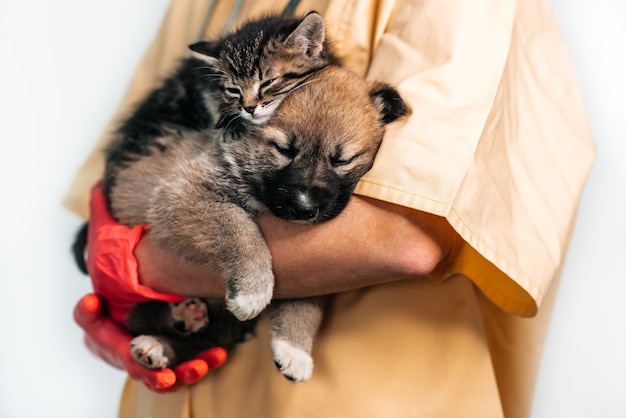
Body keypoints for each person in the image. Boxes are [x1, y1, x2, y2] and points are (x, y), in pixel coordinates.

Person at [65, 0, 595, 417]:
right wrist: (106, 283)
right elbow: (118, 174)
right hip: (167, 393)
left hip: (354, 401)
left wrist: (134, 268)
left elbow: (403, 235)